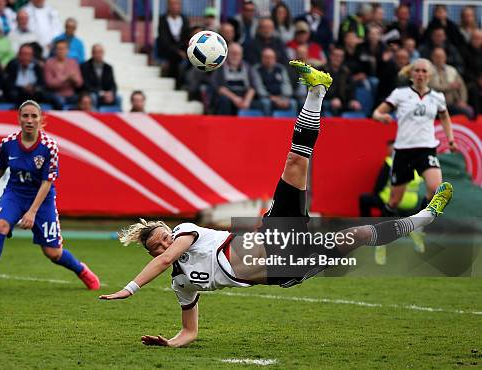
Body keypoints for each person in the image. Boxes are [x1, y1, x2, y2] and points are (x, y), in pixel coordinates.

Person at [99, 61, 454, 347]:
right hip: (286, 267)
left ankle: (317, 90)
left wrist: (130, 289)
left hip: (272, 233)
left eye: (162, 235)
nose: (164, 243)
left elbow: (165, 258)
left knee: (295, 163)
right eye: (157, 245)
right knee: (358, 234)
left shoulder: (186, 231)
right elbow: (190, 331)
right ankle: (424, 217)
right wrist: (171, 343)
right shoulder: (182, 284)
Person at [0, 100, 100, 291]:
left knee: (53, 253)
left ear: (41, 119)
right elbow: (1, 167)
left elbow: (47, 182)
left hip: (42, 199)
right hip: (15, 194)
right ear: (19, 118)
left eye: (34, 116)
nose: (29, 120)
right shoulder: (8, 143)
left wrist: (32, 212)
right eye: (25, 116)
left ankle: (81, 270)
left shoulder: (49, 146)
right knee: (0, 226)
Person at [372, 58, 456, 215]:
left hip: (426, 148)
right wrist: (381, 117)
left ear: (429, 75)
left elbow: (444, 118)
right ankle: (383, 230)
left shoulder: (437, 97)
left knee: (435, 188)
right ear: (411, 73)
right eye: (417, 70)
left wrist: (450, 139)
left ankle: (419, 223)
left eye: (424, 71)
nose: (420, 74)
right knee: (395, 200)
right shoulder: (400, 94)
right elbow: (377, 112)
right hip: (403, 150)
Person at [80, 44, 117, 108]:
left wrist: (111, 93)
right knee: (93, 96)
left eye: (100, 52)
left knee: (119, 98)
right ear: (92, 53)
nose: (98, 55)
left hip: (106, 94)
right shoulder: (85, 66)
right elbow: (86, 85)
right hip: (91, 93)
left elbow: (113, 84)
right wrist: (101, 93)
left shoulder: (108, 67)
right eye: (96, 52)